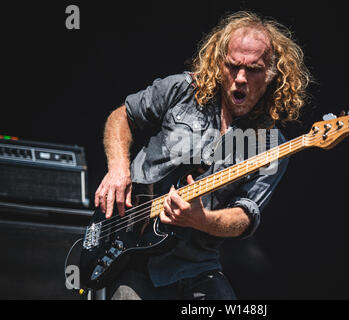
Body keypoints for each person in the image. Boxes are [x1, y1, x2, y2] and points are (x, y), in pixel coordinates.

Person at [94, 10, 310, 300]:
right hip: (130, 250)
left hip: (197, 266)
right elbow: (123, 116)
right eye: (233, 66)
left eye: (254, 69)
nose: (241, 78)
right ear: (220, 63)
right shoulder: (182, 90)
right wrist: (118, 168)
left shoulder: (272, 145)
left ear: (273, 74)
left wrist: (202, 219)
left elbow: (245, 215)